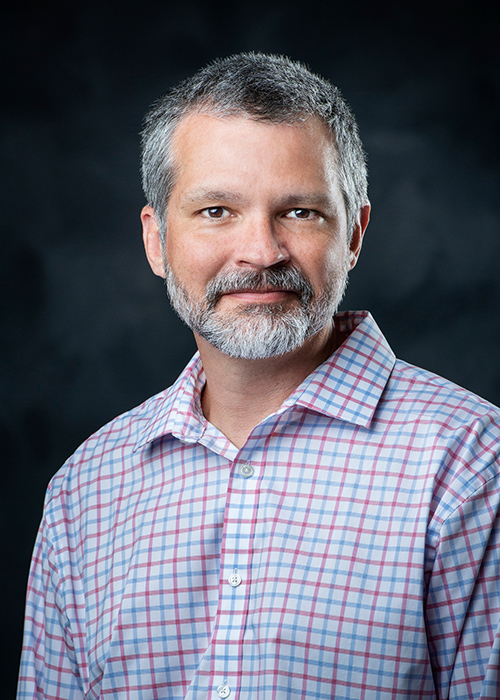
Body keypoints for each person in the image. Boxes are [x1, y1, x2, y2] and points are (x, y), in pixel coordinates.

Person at [17, 52, 500, 700]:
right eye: (216, 210)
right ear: (156, 240)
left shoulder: (472, 463)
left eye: (299, 212)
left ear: (353, 234)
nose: (262, 251)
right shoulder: (85, 493)